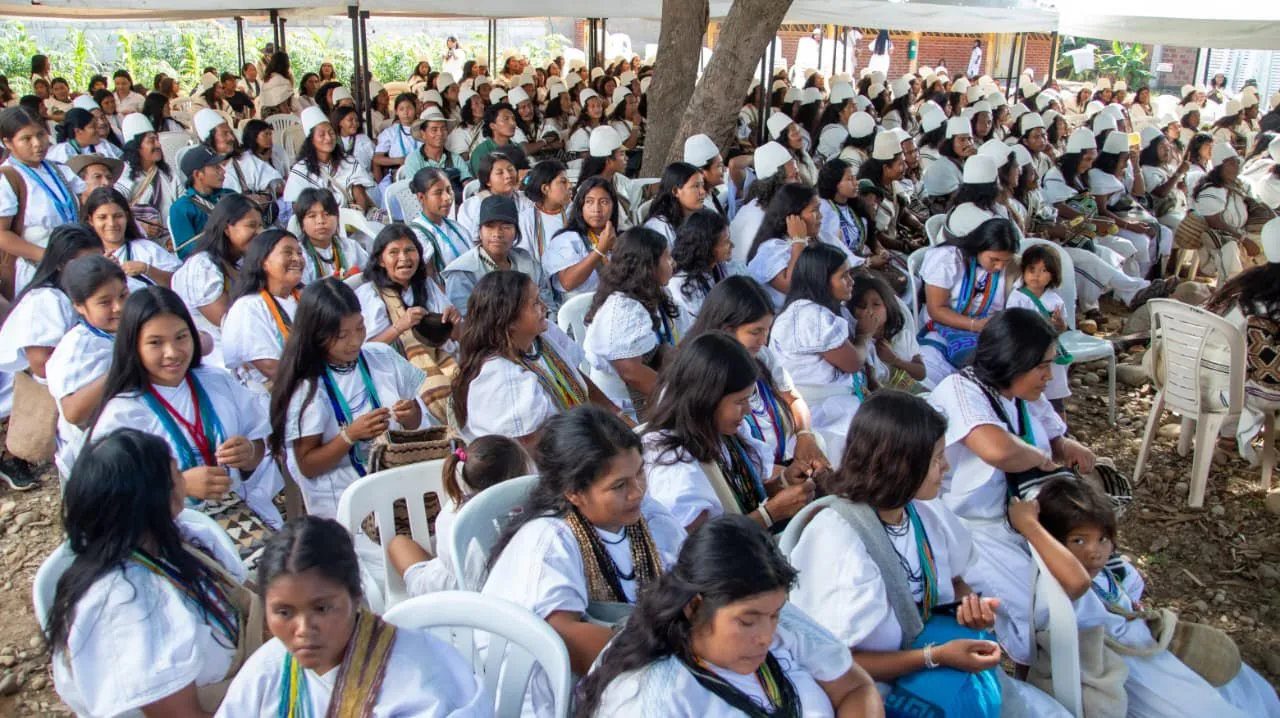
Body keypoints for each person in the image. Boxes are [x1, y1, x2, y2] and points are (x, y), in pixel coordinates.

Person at [789, 391, 1071, 715]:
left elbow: (954, 578)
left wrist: (969, 607)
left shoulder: (922, 513)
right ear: (900, 464)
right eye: (937, 458)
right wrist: (936, 656)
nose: (946, 466)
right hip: (874, 694)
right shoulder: (838, 540)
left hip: (934, 664)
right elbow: (837, 662)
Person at [481, 406, 686, 717]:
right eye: (619, 486)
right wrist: (678, 656)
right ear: (574, 492)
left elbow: (692, 572)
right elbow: (565, 639)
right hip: (557, 697)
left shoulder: (648, 516)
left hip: (630, 673)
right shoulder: (549, 540)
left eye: (640, 472)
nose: (637, 491)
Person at [578, 513, 881, 716]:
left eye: (775, 614)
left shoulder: (766, 611)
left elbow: (856, 687)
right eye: (746, 622)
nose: (766, 636)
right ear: (694, 607)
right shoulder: (651, 698)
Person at [926, 308, 1098, 665]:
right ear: (1013, 362)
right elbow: (998, 448)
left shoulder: (1023, 395)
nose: (1049, 376)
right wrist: (1039, 458)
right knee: (1040, 612)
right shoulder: (960, 390)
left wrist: (1069, 448)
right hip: (972, 530)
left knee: (1091, 588)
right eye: (1042, 367)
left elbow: (1054, 441)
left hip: (1020, 517)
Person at [1026, 478, 1280, 717]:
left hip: (1147, 649)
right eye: (1078, 540)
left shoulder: (1101, 575)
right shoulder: (1057, 587)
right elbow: (1077, 584)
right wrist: (1029, 527)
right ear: (1053, 542)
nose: (1095, 552)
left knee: (1244, 688)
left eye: (1102, 539)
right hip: (1125, 666)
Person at [48, 429, 258, 717]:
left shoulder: (174, 537)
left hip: (244, 677)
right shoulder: (125, 606)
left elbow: (246, 591)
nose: (183, 480)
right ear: (155, 499)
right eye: (175, 475)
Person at [218, 515, 490, 715]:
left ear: (355, 596)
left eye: (322, 608)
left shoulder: (422, 680)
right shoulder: (268, 670)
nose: (302, 629)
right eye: (284, 612)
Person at [90, 286, 282, 531]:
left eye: (181, 337)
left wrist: (249, 453)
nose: (172, 352)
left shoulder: (216, 381)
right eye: (155, 343)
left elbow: (258, 442)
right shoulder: (123, 415)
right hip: (170, 532)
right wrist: (178, 485)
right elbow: (112, 498)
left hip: (240, 517)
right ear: (133, 346)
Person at [268, 279, 427, 522]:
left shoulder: (380, 357)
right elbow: (308, 465)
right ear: (317, 336)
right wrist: (349, 435)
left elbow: (415, 423)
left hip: (395, 486)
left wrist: (410, 413)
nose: (355, 341)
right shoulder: (308, 388)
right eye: (342, 335)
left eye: (360, 328)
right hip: (343, 502)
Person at [451, 269, 620, 443]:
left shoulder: (543, 338)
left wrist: (617, 415)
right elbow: (532, 448)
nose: (545, 307)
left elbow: (577, 376)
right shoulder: (501, 376)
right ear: (509, 320)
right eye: (535, 304)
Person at [0, 225, 104, 488]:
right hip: (60, 393)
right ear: (60, 265)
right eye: (83, 263)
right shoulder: (45, 300)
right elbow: (42, 364)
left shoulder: (79, 293)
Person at [388, 434, 530, 595]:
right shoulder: (533, 510)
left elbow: (450, 562)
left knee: (398, 543)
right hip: (499, 589)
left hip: (451, 593)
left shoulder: (452, 515)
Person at [768, 243, 867, 462]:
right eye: (844, 276)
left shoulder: (804, 309)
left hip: (829, 404)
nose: (851, 281)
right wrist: (865, 335)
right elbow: (853, 363)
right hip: (823, 414)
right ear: (821, 279)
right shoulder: (811, 316)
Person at [582, 227, 680, 419]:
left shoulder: (650, 294)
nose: (673, 263)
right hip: (623, 412)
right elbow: (631, 373)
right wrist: (678, 396)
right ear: (648, 266)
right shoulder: (623, 310)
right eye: (667, 258)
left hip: (646, 392)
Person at [45, 256, 128, 478]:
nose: (118, 307)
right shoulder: (77, 349)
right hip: (93, 459)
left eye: (123, 295)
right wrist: (123, 366)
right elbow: (74, 412)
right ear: (79, 306)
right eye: (104, 302)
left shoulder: (125, 329)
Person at [918, 217, 1019, 386]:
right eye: (994, 260)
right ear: (979, 247)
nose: (1000, 267)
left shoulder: (1013, 268)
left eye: (1005, 261)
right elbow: (936, 309)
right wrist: (975, 325)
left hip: (987, 331)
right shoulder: (949, 258)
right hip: (941, 328)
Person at [0, 106, 88, 294]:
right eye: (26, 139)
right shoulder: (8, 178)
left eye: (40, 135)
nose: (37, 143)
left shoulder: (57, 170)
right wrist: (50, 258)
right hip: (35, 270)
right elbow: (2, 235)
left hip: (73, 263)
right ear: (8, 142)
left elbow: (85, 200)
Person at [169, 195, 263, 365]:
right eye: (251, 226)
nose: (259, 233)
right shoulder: (202, 266)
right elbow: (227, 321)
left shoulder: (240, 261)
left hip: (246, 346)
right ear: (227, 228)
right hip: (217, 356)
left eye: (259, 226)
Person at [442, 194, 553, 316]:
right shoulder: (463, 271)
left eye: (506, 227)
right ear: (480, 231)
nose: (497, 234)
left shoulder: (527, 262)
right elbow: (464, 320)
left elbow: (547, 305)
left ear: (516, 232)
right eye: (489, 226)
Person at [1181, 142, 1275, 279]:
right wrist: (1244, 240)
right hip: (1220, 237)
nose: (1237, 167)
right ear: (1220, 166)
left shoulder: (1235, 185)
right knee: (1230, 251)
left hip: (1239, 232)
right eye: (1232, 163)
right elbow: (1214, 222)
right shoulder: (1212, 189)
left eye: (1237, 163)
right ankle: (1228, 293)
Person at [1006, 244, 1072, 414]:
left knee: (1055, 397)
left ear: (1053, 274)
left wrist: (1059, 325)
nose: (1036, 275)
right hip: (1025, 354)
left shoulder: (1055, 300)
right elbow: (1013, 325)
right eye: (1032, 269)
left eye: (1043, 271)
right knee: (1026, 397)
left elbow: (1062, 328)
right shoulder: (1017, 297)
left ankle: (1060, 434)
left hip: (1050, 355)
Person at [282, 107, 378, 218]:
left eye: (331, 133)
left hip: (352, 220)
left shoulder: (347, 162)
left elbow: (360, 195)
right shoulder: (301, 169)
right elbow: (298, 206)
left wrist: (356, 221)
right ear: (311, 139)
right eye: (322, 135)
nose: (328, 138)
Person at [193, 109, 283, 222]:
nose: (231, 137)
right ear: (210, 139)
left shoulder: (246, 159)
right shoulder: (205, 173)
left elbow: (274, 188)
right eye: (225, 134)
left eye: (230, 132)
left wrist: (262, 198)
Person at [81, 186, 179, 290]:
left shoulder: (147, 249)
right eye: (102, 217)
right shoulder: (83, 259)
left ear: (126, 217)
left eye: (118, 216)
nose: (111, 223)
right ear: (91, 220)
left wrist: (147, 269)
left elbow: (180, 282)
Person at [543, 176, 620, 300]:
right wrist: (599, 251)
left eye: (604, 202)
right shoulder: (566, 239)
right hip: (578, 314)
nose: (596, 209)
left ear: (613, 207)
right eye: (589, 201)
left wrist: (619, 252)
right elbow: (567, 283)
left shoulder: (622, 239)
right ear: (581, 206)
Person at [746, 183, 822, 308]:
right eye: (814, 211)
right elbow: (792, 286)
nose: (820, 216)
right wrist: (798, 241)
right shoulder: (770, 249)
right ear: (793, 216)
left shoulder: (813, 240)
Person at [850, 273, 926, 391]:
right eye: (861, 306)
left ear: (888, 306)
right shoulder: (859, 345)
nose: (869, 311)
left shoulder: (901, 335)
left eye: (876, 305)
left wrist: (895, 360)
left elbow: (921, 373)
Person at [115, 114, 181, 247]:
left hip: (169, 240)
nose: (158, 144)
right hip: (137, 242)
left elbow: (181, 205)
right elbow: (115, 207)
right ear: (136, 147)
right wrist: (139, 226)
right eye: (151, 141)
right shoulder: (124, 174)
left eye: (157, 139)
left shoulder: (168, 175)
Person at [668, 208, 733, 325]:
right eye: (726, 242)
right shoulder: (681, 284)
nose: (732, 246)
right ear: (707, 247)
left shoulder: (716, 268)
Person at [169, 146, 235, 260]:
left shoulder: (230, 195)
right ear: (198, 174)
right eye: (216, 167)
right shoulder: (181, 208)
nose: (223, 171)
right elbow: (187, 251)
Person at [407, 167, 474, 273]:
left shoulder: (456, 227)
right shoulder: (418, 234)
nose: (447, 197)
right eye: (438, 193)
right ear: (421, 197)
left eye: (449, 190)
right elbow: (431, 279)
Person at [293, 188, 367, 283]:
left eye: (327, 214)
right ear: (302, 224)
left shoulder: (350, 246)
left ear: (337, 218)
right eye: (312, 216)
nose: (321, 221)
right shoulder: (299, 256)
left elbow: (368, 274)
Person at [455, 151, 529, 237]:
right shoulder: (471, 206)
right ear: (488, 181)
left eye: (510, 170)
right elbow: (469, 240)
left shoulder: (526, 199)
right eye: (500, 173)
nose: (508, 176)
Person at [400, 107, 472, 187]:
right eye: (434, 130)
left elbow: (468, 185)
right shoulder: (413, 160)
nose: (440, 133)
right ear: (423, 134)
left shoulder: (455, 159)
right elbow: (414, 193)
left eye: (443, 128)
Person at [518, 160, 571, 265]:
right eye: (563, 182)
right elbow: (524, 259)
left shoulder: (574, 212)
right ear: (545, 189)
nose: (570, 186)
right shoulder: (526, 219)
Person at [643, 162, 707, 247]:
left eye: (702, 186)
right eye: (696, 186)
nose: (703, 192)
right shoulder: (660, 227)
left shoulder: (699, 218)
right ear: (676, 191)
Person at [372, 92, 422, 189]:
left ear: (415, 110)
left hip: (421, 173)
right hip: (398, 175)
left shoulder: (423, 130)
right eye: (401, 109)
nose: (406, 113)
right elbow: (377, 159)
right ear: (396, 111)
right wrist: (399, 160)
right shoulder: (390, 133)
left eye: (410, 108)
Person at [47, 107, 122, 163]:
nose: (97, 130)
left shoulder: (103, 144)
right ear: (78, 131)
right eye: (93, 127)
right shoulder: (63, 152)